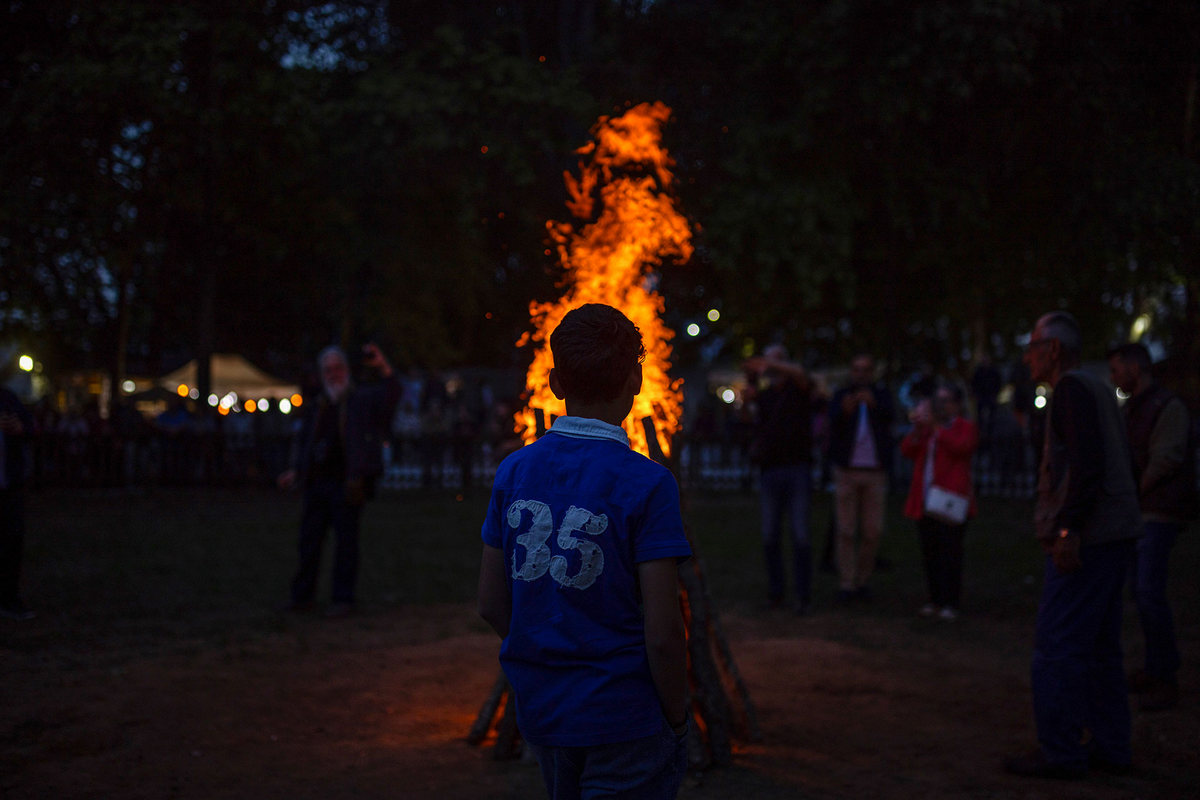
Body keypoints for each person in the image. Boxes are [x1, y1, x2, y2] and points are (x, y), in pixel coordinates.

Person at [477, 304, 692, 799]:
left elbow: (490, 603)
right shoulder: (649, 483)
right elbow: (663, 635)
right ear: (636, 379)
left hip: (545, 711)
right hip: (623, 716)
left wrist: (550, 657)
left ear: (553, 381)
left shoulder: (514, 472)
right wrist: (677, 721)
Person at [1004, 311, 1141, 780]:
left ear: (1054, 349)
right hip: (1115, 533)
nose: (1027, 357)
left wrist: (1069, 530)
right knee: (1101, 647)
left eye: (1032, 346)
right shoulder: (1100, 387)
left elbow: (1086, 464)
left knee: (1058, 646)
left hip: (1091, 537)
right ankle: (1111, 747)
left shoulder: (1071, 390)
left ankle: (1060, 749)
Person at [278, 343, 400, 617]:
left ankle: (342, 598)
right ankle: (302, 596)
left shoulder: (360, 400)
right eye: (328, 370)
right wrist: (297, 471)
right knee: (309, 541)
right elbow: (307, 441)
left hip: (347, 483)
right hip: (317, 483)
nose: (333, 375)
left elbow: (392, 394)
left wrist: (382, 366)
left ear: (346, 370)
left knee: (346, 543)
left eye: (337, 368)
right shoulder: (319, 405)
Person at [1108, 342, 1197, 712]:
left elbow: (1167, 458)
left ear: (1135, 368)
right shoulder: (1135, 408)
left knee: (1148, 591)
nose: (1114, 377)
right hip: (1140, 511)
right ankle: (1155, 668)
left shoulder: (1167, 407)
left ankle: (1165, 675)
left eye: (1117, 370)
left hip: (1157, 512)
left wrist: (1132, 490)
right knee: (1142, 592)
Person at [743, 344, 816, 614]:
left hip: (797, 469)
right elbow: (746, 418)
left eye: (775, 363)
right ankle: (776, 594)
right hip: (770, 470)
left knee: (800, 536)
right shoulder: (764, 396)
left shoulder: (799, 389)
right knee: (770, 536)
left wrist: (768, 363)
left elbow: (800, 373)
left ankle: (803, 597)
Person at [899, 383, 979, 621]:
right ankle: (935, 599)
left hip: (951, 500)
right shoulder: (927, 429)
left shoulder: (965, 428)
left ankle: (950, 602)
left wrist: (936, 429)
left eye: (945, 401)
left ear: (956, 404)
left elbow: (961, 448)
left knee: (950, 552)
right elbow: (907, 450)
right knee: (930, 551)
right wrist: (917, 430)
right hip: (925, 499)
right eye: (938, 400)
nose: (940, 405)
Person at [828, 353, 895, 602]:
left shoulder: (882, 395)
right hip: (847, 470)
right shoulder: (841, 395)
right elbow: (831, 425)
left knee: (872, 530)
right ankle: (847, 582)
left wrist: (875, 404)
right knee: (845, 529)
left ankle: (862, 579)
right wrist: (845, 411)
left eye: (865, 369)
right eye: (857, 369)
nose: (861, 374)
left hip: (874, 471)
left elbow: (891, 418)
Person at [1, 383, 36, 620]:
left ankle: (8, 598)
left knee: (11, 543)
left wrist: (20, 428)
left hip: (8, 486)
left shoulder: (7, 399)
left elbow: (31, 428)